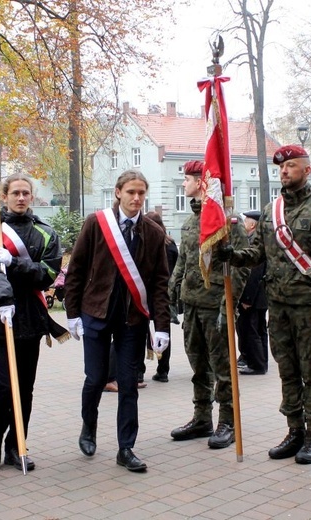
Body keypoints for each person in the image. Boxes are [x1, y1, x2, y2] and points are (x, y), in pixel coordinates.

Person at [218, 145, 311, 464]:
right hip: (278, 309)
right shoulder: (271, 211)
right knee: (287, 373)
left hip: (309, 309)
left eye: (291, 166)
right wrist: (232, 255)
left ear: (307, 170)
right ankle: (294, 430)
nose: (285, 171)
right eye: (281, 167)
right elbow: (257, 254)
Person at [65, 169, 171, 472]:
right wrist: (72, 313)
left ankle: (126, 448)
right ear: (118, 192)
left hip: (132, 319)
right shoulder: (97, 224)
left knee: (128, 384)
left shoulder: (152, 232)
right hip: (96, 313)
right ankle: (89, 427)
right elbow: (77, 270)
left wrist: (161, 325)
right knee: (96, 379)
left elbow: (160, 283)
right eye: (131, 193)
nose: (136, 198)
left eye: (141, 193)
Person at [0, 173, 63, 472]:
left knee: (25, 387)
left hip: (29, 316)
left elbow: (48, 274)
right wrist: (3, 299)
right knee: (4, 384)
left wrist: (16, 263)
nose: (21, 198)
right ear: (5, 195)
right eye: (15, 193)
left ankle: (16, 444)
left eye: (26, 192)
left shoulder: (45, 233)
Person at [168, 160, 249, 450]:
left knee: (223, 367)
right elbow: (184, 260)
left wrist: (230, 301)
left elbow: (241, 265)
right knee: (198, 364)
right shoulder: (190, 222)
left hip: (216, 305)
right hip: (192, 304)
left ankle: (227, 421)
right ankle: (202, 417)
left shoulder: (227, 221)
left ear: (201, 182)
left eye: (188, 179)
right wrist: (172, 289)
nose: (184, 184)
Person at [146, 211, 179, 382]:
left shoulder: (148, 244)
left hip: (147, 293)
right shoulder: (171, 244)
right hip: (166, 294)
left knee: (142, 330)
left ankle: (138, 370)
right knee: (164, 331)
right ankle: (163, 370)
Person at [236, 210, 268, 375]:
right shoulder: (260, 239)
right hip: (260, 295)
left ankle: (256, 364)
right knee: (260, 329)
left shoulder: (254, 241)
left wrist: (247, 298)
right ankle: (261, 361)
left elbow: (253, 272)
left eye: (246, 221)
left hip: (253, 296)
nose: (244, 224)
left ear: (253, 224)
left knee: (251, 330)